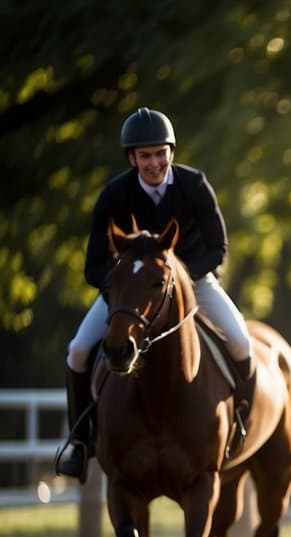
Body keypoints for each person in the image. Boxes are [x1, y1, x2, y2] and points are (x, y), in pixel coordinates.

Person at [56, 107, 252, 480]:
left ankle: (240, 422)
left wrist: (181, 279)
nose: (154, 163)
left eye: (160, 153)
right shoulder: (115, 195)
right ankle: (80, 443)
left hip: (195, 284)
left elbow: (218, 248)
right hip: (129, 293)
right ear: (132, 158)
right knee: (79, 351)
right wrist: (122, 288)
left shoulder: (194, 185)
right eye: (145, 156)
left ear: (171, 153)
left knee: (242, 343)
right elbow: (94, 265)